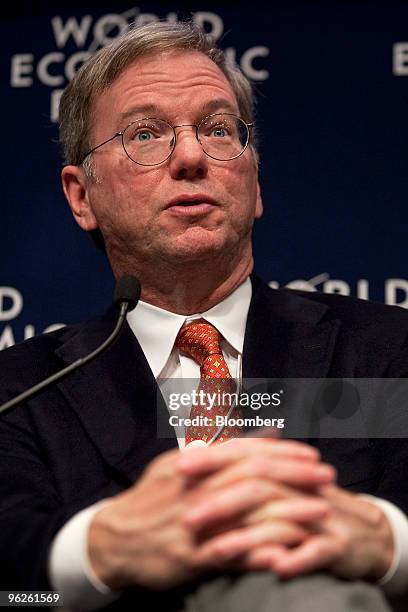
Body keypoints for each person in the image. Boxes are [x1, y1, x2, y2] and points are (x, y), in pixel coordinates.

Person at [0, 20, 407, 612]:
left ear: (256, 180)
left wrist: (383, 540)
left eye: (218, 130)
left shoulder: (387, 352)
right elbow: (14, 593)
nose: (191, 156)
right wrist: (99, 550)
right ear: (81, 197)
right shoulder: (20, 391)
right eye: (145, 135)